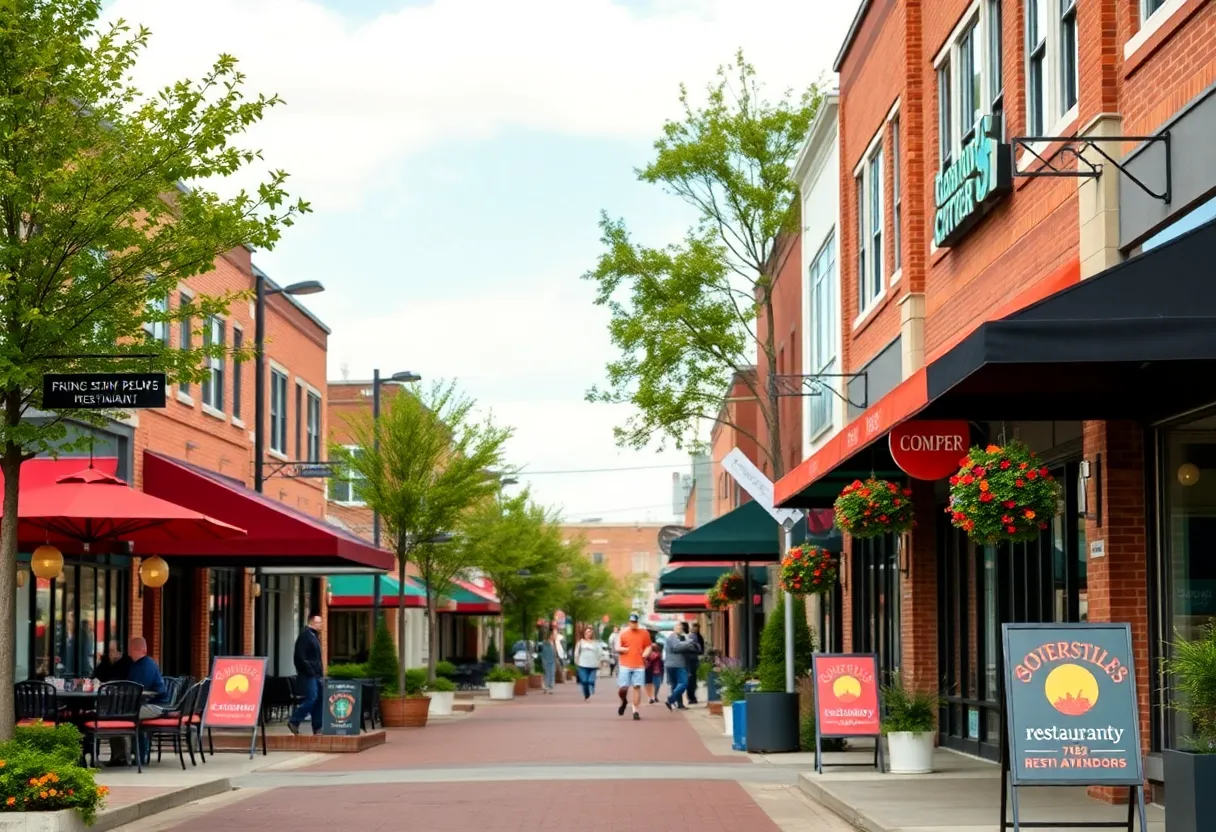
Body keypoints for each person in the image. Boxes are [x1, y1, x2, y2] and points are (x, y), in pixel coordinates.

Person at [112, 637, 169, 766]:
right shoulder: (136, 664)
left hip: (155, 705)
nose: (129, 653)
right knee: (116, 715)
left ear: (138, 650)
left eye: (131, 649)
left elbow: (139, 687)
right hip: (144, 703)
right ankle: (122, 755)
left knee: (124, 717)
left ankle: (134, 756)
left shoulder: (146, 665)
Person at [288, 614, 324, 735]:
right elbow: (299, 656)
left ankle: (317, 727)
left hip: (317, 674)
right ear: (312, 622)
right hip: (309, 675)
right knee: (312, 698)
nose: (321, 625)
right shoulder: (305, 636)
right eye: (319, 623)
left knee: (319, 699)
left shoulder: (314, 636)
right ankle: (294, 720)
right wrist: (309, 670)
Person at [616, 614, 652, 720]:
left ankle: (635, 710)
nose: (633, 624)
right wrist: (623, 649)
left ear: (637, 623)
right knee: (623, 688)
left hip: (639, 664)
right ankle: (623, 701)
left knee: (637, 687)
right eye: (632, 622)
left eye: (635, 622)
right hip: (625, 664)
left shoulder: (644, 633)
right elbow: (617, 647)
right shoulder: (623, 633)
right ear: (629, 623)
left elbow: (648, 646)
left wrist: (646, 653)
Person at [663, 622, 700, 711]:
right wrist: (689, 643)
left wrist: (689, 644)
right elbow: (676, 647)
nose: (680, 629)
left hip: (681, 664)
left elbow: (695, 648)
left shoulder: (683, 637)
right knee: (678, 684)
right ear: (674, 628)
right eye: (678, 627)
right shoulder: (672, 637)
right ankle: (676, 702)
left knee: (681, 684)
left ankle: (673, 701)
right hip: (673, 665)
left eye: (681, 628)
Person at [572, 626, 603, 700]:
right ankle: (587, 694)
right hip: (582, 665)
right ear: (583, 634)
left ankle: (592, 687)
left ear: (592, 633)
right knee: (584, 681)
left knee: (591, 681)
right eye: (586, 632)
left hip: (593, 665)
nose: (588, 634)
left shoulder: (596, 643)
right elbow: (576, 653)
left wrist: (599, 662)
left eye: (589, 632)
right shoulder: (580, 643)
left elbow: (600, 653)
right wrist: (576, 661)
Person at [686, 623, 705, 705]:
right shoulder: (693, 636)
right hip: (692, 659)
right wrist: (699, 650)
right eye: (694, 628)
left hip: (693, 659)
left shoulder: (697, 636)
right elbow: (698, 648)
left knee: (692, 679)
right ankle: (691, 697)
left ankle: (691, 697)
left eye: (696, 628)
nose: (695, 629)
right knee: (691, 679)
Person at [644, 634, 664, 704]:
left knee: (655, 684)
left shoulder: (656, 646)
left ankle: (653, 696)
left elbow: (657, 656)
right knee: (650, 683)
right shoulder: (646, 646)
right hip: (650, 668)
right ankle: (651, 697)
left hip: (655, 669)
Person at [538, 627, 558, 694]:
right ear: (550, 635)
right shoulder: (545, 643)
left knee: (552, 674)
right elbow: (541, 652)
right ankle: (546, 687)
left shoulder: (554, 643)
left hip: (552, 660)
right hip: (546, 660)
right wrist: (543, 659)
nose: (555, 636)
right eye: (554, 635)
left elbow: (555, 652)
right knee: (547, 674)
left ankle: (550, 687)